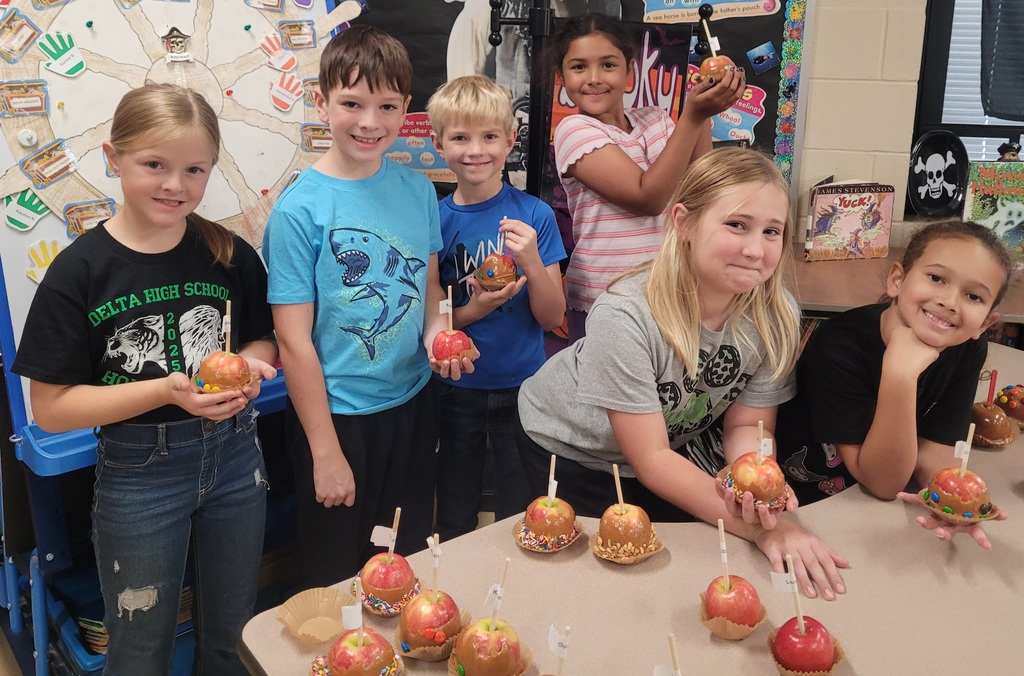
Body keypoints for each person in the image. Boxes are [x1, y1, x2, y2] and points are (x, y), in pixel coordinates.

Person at [12, 83, 278, 675]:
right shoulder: (79, 271)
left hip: (237, 457)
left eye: (194, 170)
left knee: (233, 636)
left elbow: (261, 338)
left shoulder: (228, 253)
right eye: (154, 164)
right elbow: (51, 407)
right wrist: (164, 391)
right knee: (139, 651)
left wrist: (253, 366)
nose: (174, 185)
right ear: (114, 158)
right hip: (140, 475)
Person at [518, 147, 848, 600]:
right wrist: (765, 531)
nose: (756, 249)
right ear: (684, 223)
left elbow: (749, 427)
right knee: (574, 589)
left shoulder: (778, 315)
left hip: (664, 452)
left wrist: (755, 486)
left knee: (654, 583)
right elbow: (651, 458)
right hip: (567, 449)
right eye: (737, 224)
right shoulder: (625, 314)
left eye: (772, 231)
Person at [263, 24, 474, 588]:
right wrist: (324, 452)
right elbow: (293, 341)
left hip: (413, 405)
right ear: (321, 102)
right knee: (337, 574)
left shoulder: (417, 189)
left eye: (387, 106)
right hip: (337, 419)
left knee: (403, 559)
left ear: (407, 107)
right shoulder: (299, 211)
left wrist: (438, 341)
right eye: (352, 103)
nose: (369, 122)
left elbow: (430, 293)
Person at [775, 221, 1013, 549]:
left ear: (984, 323)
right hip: (806, 499)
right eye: (936, 278)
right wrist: (900, 374)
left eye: (973, 296)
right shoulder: (838, 345)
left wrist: (949, 499)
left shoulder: (967, 348)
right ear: (897, 280)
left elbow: (936, 451)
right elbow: (883, 483)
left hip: (871, 506)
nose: (950, 301)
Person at [546, 13, 745, 342]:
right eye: (579, 67)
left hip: (665, 292)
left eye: (608, 65)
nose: (593, 78)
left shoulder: (656, 120)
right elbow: (647, 198)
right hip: (605, 299)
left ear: (630, 70)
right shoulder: (574, 130)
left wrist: (704, 115)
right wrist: (692, 116)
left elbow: (700, 189)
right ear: (561, 76)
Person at [426, 75, 567, 538]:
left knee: (522, 508)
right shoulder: (434, 220)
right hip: (456, 388)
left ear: (510, 140)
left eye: (489, 137)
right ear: (438, 144)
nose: (475, 150)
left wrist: (531, 261)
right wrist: (476, 309)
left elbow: (552, 317)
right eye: (460, 138)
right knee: (453, 508)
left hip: (524, 387)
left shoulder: (534, 215)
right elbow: (433, 317)